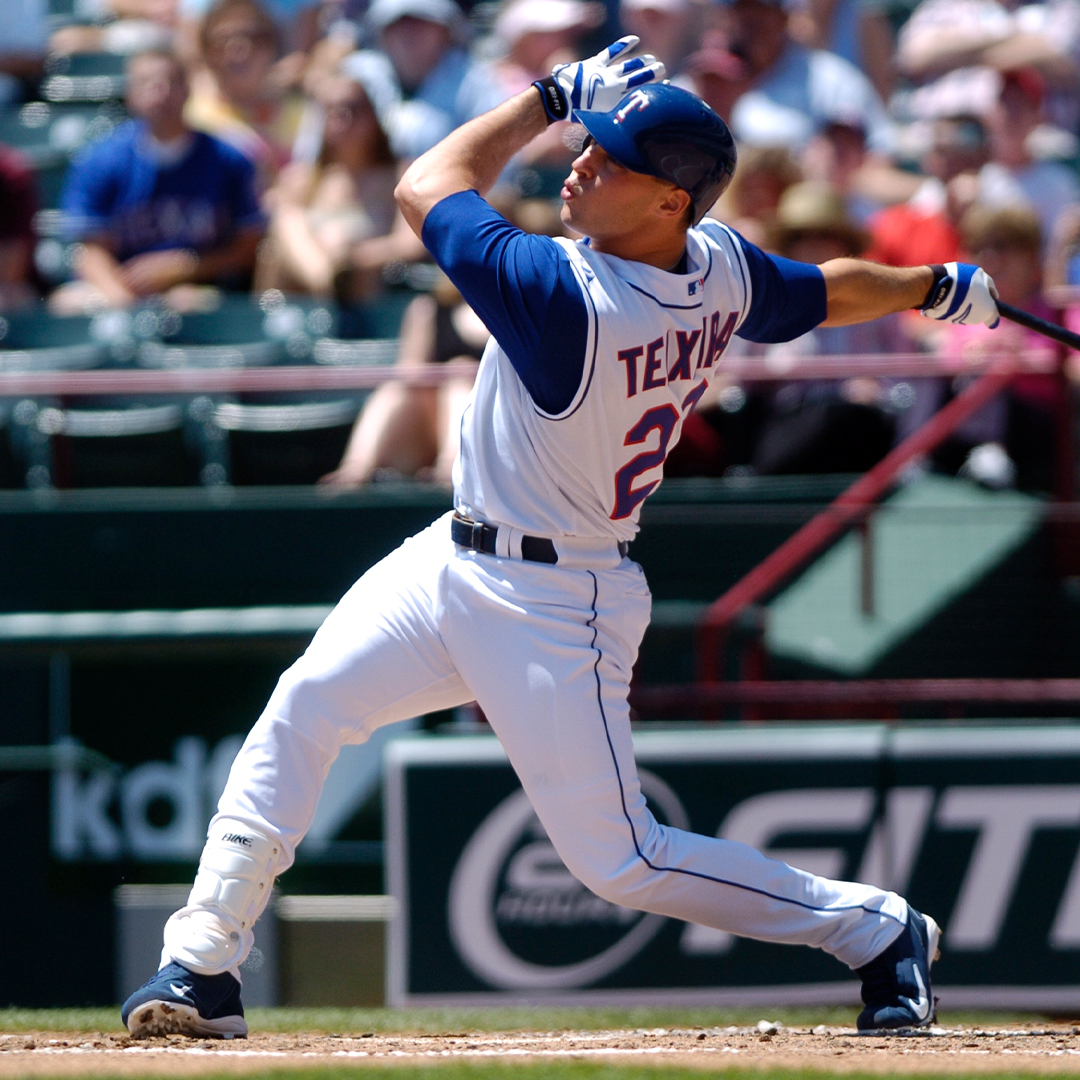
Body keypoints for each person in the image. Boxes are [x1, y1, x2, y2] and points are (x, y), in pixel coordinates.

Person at [120, 38, 1002, 1040]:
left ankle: (876, 928)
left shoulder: (570, 302)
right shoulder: (710, 263)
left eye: (612, 159)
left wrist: (542, 97)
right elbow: (817, 289)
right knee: (304, 706)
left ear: (669, 202)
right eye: (589, 141)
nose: (582, 161)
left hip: (556, 596)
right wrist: (929, 284)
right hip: (455, 557)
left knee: (617, 860)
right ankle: (201, 966)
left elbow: (426, 183)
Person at [54, 49, 264, 312]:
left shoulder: (229, 159)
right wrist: (123, 302)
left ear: (188, 90)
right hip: (121, 287)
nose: (159, 93)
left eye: (170, 82)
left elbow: (249, 246)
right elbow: (89, 252)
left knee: (196, 304)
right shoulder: (100, 160)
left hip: (199, 286)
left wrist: (186, 266)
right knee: (69, 303)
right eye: (146, 84)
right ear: (130, 95)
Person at [255, 74, 398, 299]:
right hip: (306, 290)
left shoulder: (398, 177)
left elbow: (411, 244)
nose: (342, 119)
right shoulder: (305, 179)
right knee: (286, 219)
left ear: (373, 115)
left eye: (352, 109)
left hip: (369, 289)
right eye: (331, 111)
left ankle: (332, 282)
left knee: (335, 238)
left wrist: (353, 257)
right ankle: (328, 282)